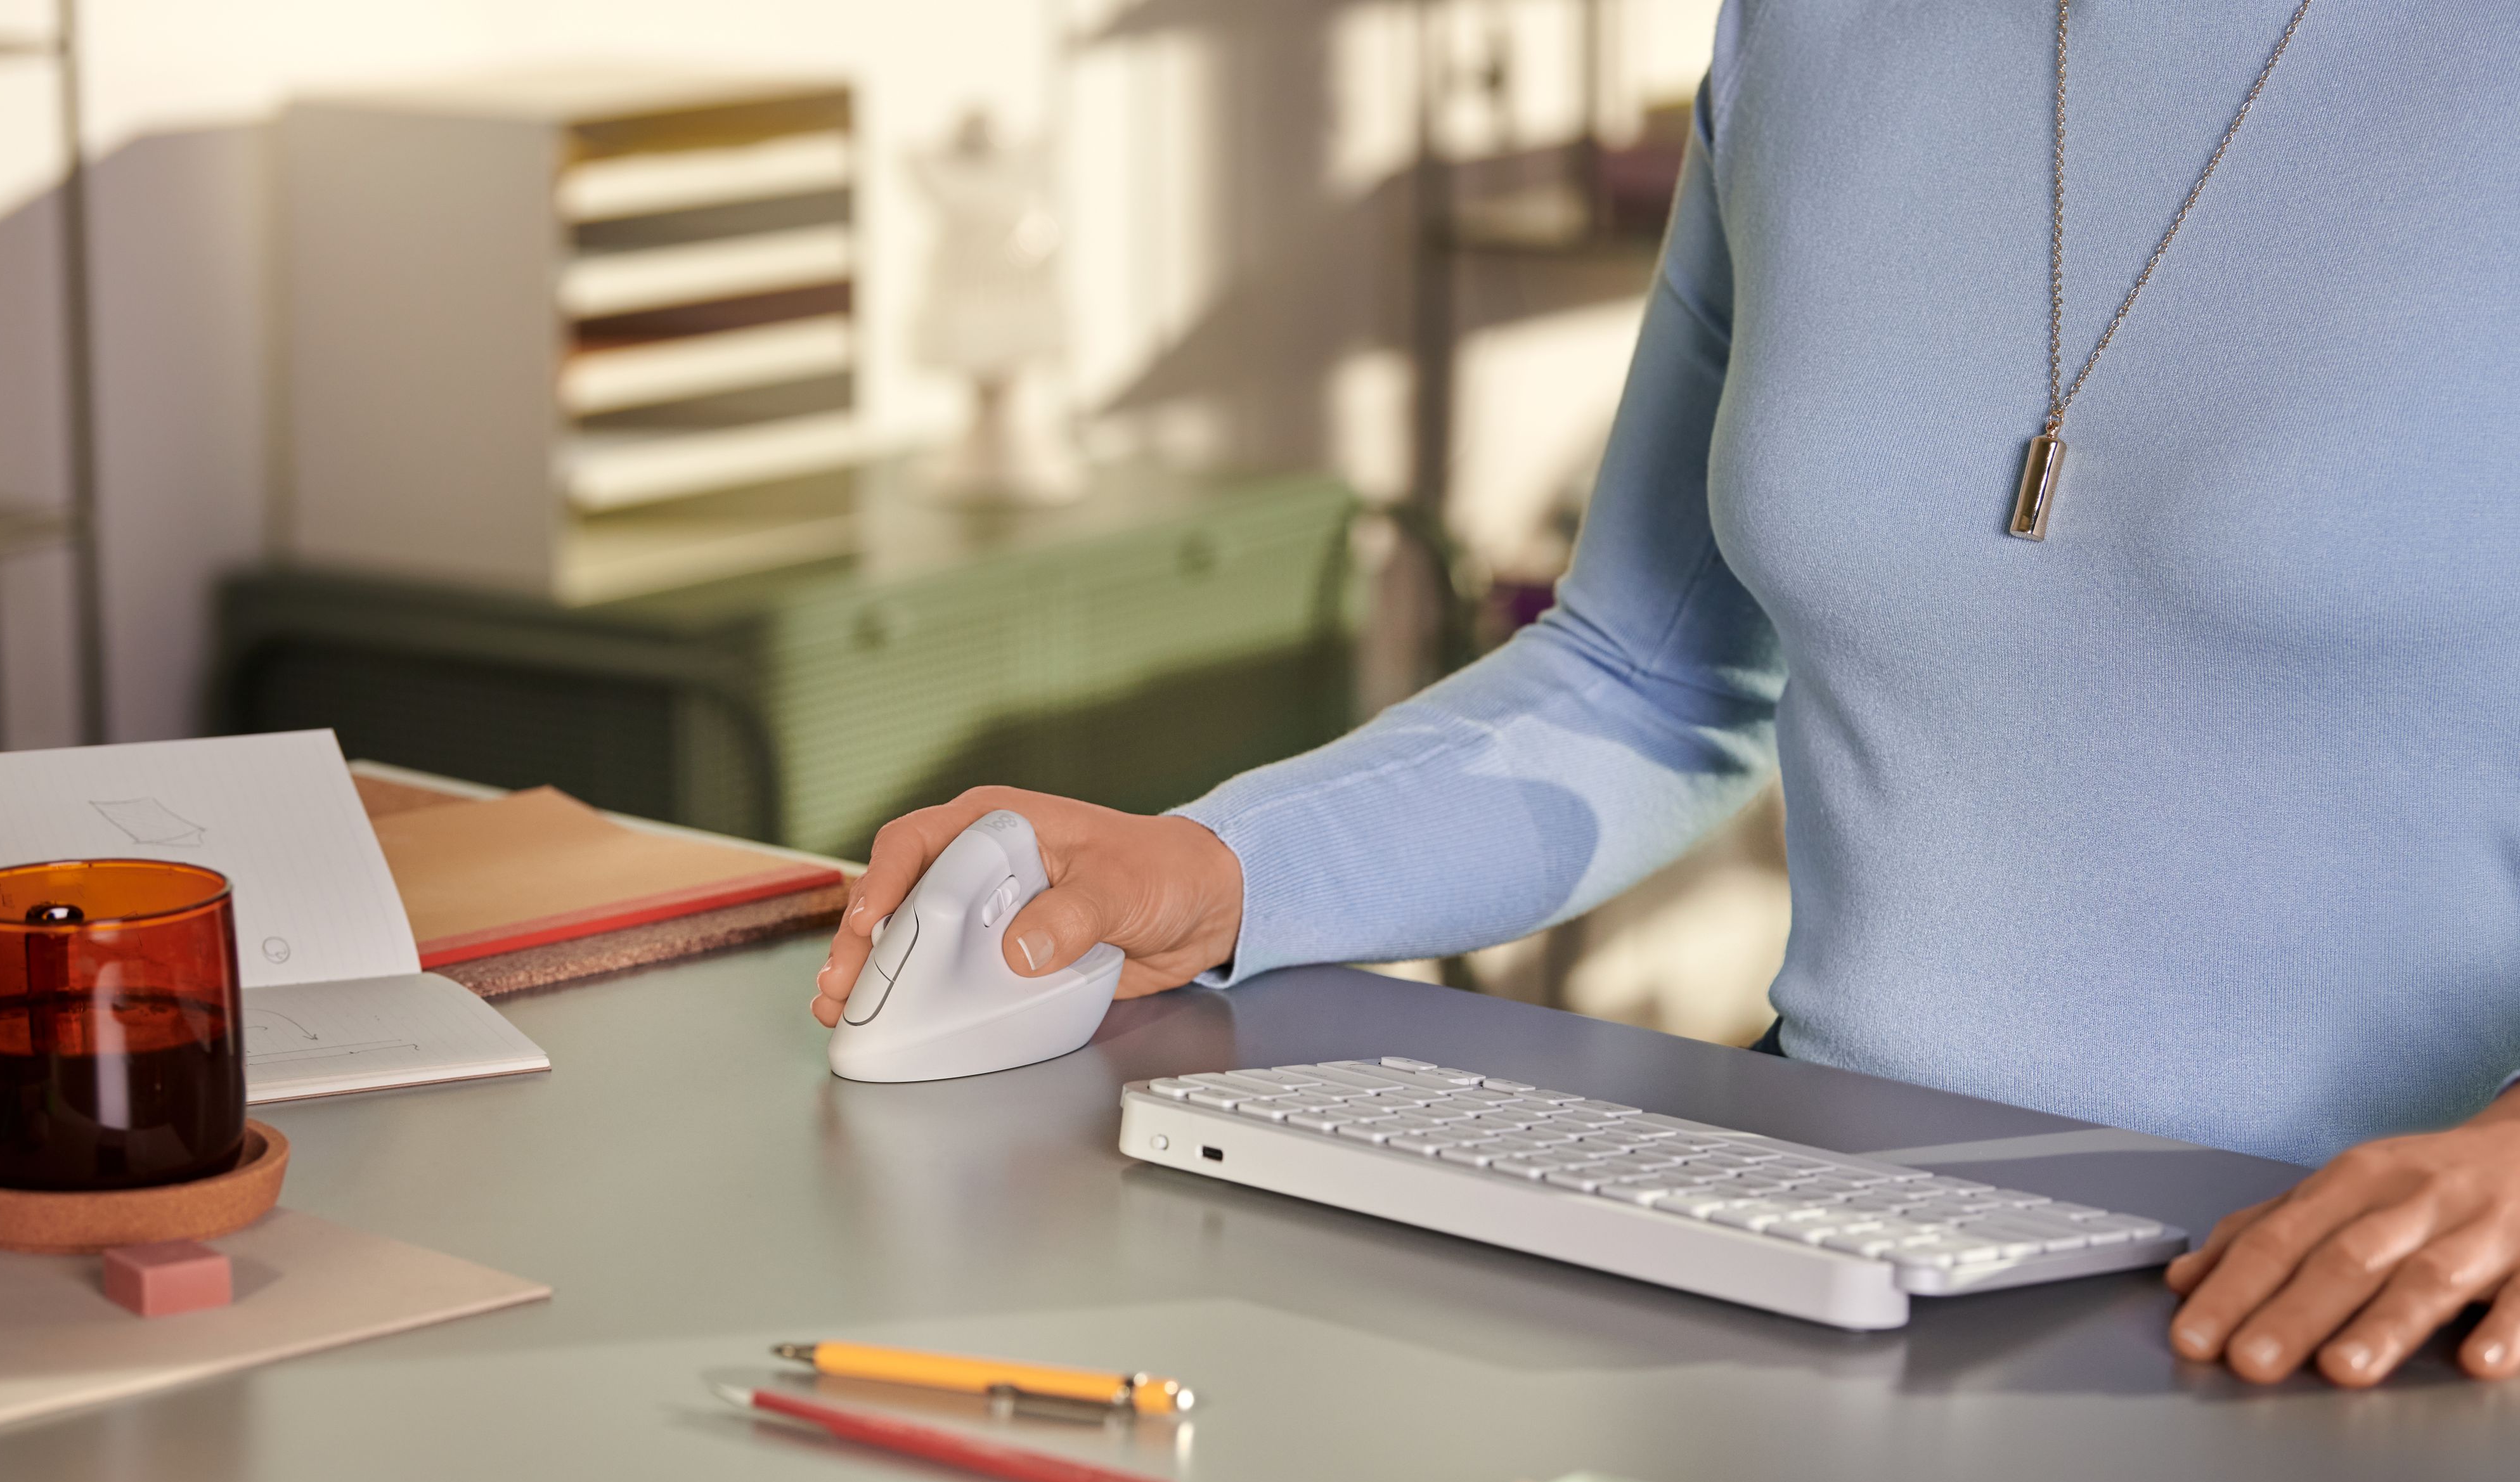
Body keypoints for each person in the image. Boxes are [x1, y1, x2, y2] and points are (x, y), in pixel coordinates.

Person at [817, 6, 2520, 1388]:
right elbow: (1651, 671)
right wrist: (1218, 862)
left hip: (2365, 1328)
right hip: (1822, 1258)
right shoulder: (1811, 34)